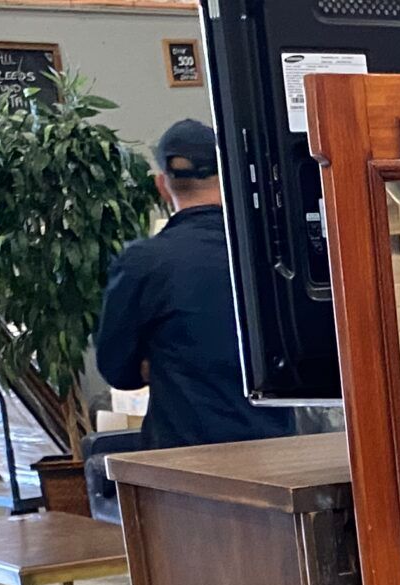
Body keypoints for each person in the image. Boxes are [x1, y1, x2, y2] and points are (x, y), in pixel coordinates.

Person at [86, 120, 288, 508]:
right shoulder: (269, 254)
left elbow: (116, 369)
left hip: (181, 462)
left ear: (162, 185)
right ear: (229, 176)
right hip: (274, 456)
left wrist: (160, 361)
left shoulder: (143, 263)